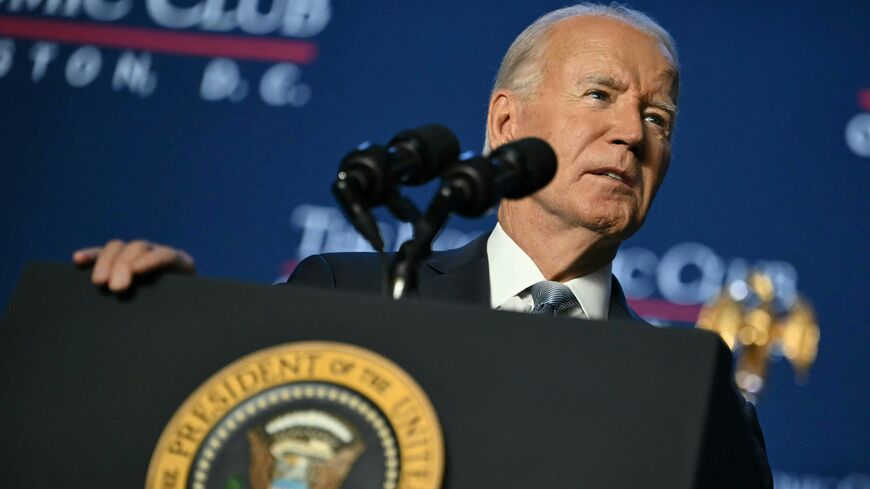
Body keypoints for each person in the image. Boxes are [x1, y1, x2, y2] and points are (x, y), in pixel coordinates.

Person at [73, 3, 771, 485]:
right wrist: (170, 333)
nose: (632, 133)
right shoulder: (349, 296)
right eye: (599, 95)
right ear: (506, 121)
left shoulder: (693, 394)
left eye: (658, 116)